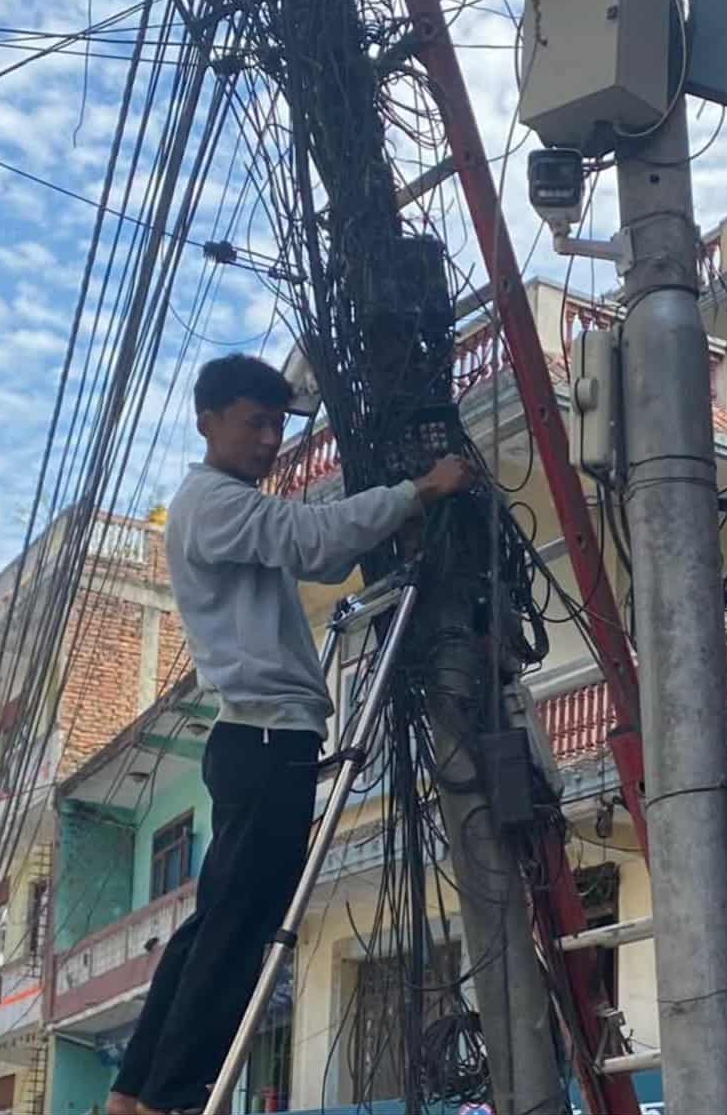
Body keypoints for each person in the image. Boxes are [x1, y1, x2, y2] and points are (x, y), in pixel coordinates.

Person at [106, 354, 475, 1115]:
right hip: (267, 740)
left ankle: (137, 1087)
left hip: (257, 741)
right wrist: (421, 489)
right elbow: (312, 538)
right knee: (243, 929)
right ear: (207, 421)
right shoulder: (216, 504)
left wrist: (394, 516)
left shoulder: (228, 507)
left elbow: (324, 549)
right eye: (254, 422)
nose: (270, 439)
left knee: (218, 920)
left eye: (277, 424)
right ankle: (171, 1093)